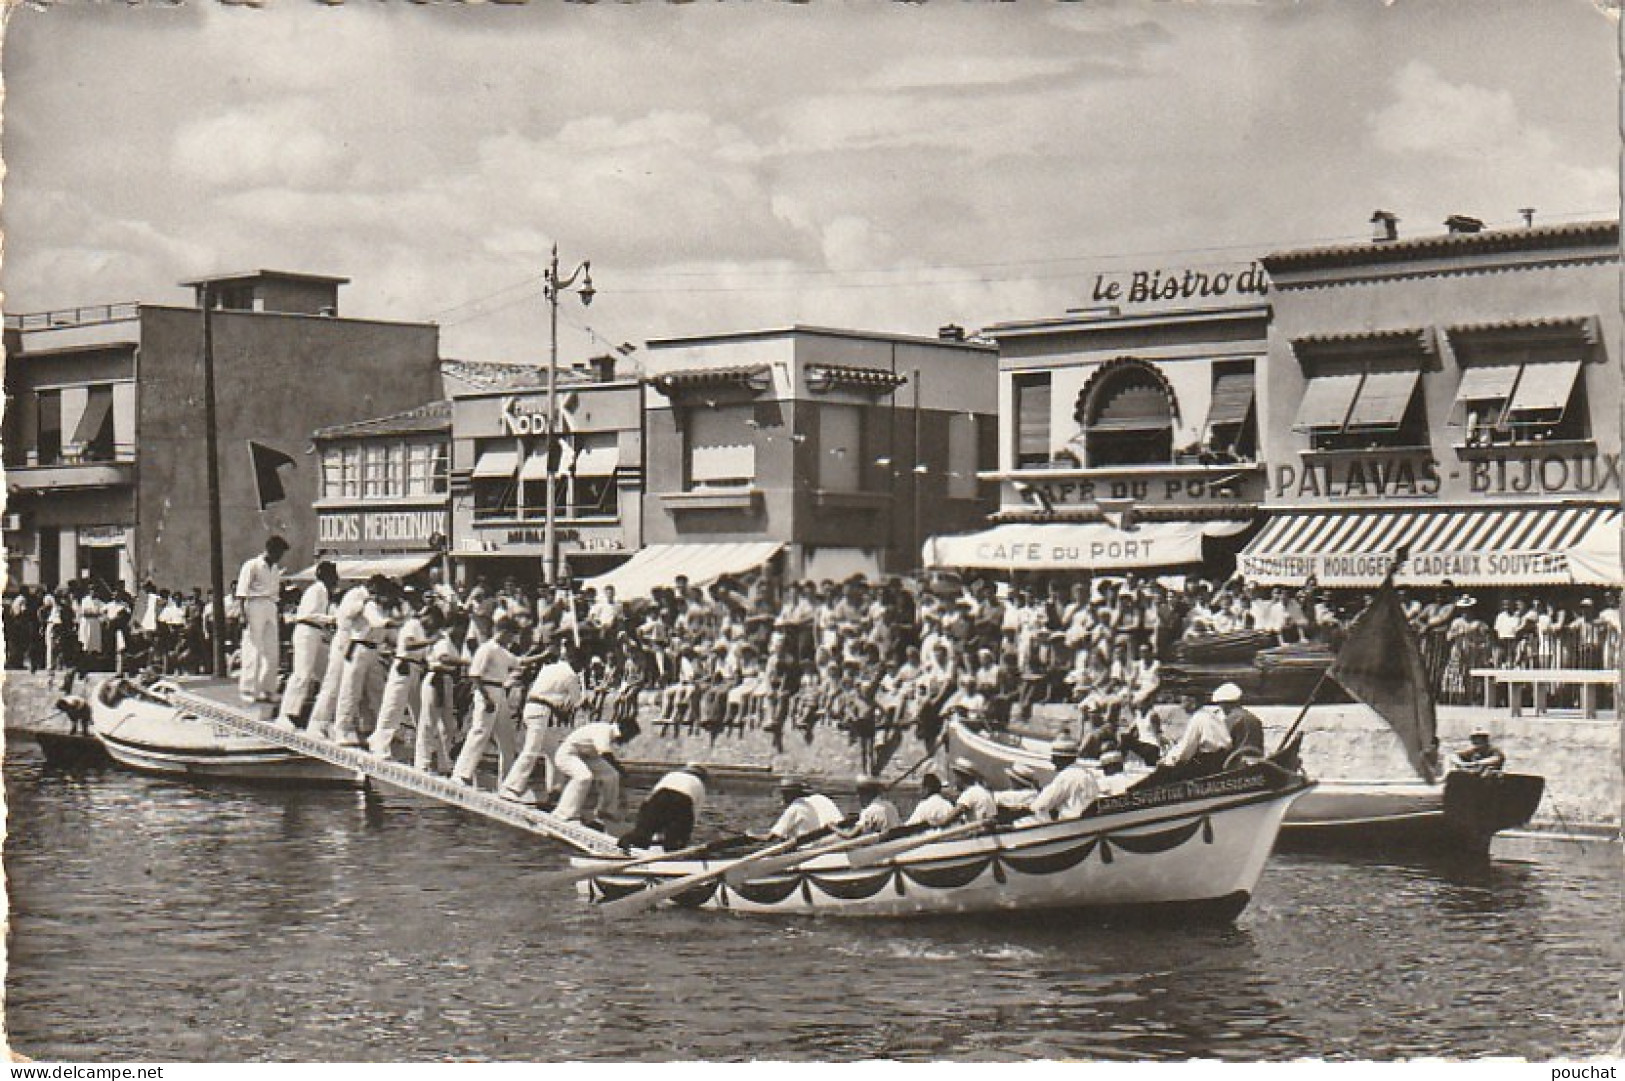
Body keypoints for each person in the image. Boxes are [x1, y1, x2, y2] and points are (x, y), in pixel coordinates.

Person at [500, 642, 584, 804]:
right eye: (581, 664)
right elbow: (576, 701)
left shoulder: (548, 668)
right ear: (575, 661)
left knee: (554, 752)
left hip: (531, 708)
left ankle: (555, 791)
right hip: (541, 711)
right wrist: (581, 702)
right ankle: (510, 787)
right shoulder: (570, 675)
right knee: (532, 750)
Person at [450, 620, 527, 790]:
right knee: (480, 732)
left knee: (507, 738)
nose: (512, 640)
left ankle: (507, 781)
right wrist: (486, 698)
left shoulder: (502, 651)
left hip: (499, 692)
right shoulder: (486, 649)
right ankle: (462, 773)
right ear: (503, 631)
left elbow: (519, 662)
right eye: (511, 635)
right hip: (486, 690)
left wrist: (544, 654)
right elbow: (475, 676)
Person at [331, 576, 397, 747]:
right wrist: (392, 623)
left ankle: (376, 729)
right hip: (359, 648)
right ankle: (342, 730)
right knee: (351, 690)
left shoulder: (382, 607)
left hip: (374, 651)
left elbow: (389, 636)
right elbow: (376, 622)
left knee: (377, 691)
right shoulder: (368, 603)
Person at [369, 604, 441, 759]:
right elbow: (408, 645)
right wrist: (430, 642)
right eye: (433, 621)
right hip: (404, 666)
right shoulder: (412, 624)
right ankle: (379, 743)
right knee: (393, 707)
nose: (433, 625)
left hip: (414, 669)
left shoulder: (421, 629)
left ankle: (428, 748)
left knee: (419, 711)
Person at [278, 561, 338, 729]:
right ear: (324, 576)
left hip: (316, 634)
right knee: (302, 675)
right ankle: (286, 714)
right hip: (306, 633)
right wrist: (331, 619)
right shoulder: (317, 590)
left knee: (328, 674)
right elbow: (307, 615)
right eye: (333, 575)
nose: (336, 579)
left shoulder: (323, 591)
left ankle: (322, 719)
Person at [552, 714, 636, 826]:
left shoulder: (609, 733)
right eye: (629, 737)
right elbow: (606, 754)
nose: (627, 741)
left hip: (588, 756)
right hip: (568, 754)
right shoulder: (604, 730)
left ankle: (605, 812)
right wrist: (622, 771)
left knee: (612, 775)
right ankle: (564, 814)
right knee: (584, 777)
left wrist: (619, 772)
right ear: (623, 730)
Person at [234, 535, 288, 704]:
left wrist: (277, 612)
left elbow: (276, 594)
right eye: (278, 553)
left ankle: (267, 689)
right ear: (270, 550)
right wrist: (243, 615)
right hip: (254, 604)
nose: (280, 557)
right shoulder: (252, 565)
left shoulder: (275, 569)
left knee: (272, 650)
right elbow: (241, 593)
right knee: (253, 649)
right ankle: (248, 689)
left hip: (270, 606)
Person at [416, 615, 467, 774]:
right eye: (461, 628)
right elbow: (444, 659)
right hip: (435, 678)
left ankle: (445, 763)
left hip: (446, 680)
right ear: (454, 626)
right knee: (429, 721)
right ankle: (422, 762)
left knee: (448, 725)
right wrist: (466, 662)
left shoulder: (450, 641)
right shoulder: (443, 639)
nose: (462, 632)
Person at [618, 764, 708, 852]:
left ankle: (626, 846)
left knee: (643, 833)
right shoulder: (699, 784)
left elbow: (649, 798)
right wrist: (685, 834)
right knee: (675, 839)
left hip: (658, 798)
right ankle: (672, 852)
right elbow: (694, 813)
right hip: (682, 802)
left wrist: (643, 822)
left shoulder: (671, 775)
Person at [1161, 689, 1234, 777]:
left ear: (1193, 703)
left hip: (1206, 764)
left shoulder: (1198, 718)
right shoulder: (1212, 715)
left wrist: (1169, 762)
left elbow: (1187, 749)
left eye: (1183, 702)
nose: (1181, 707)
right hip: (1220, 759)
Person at [1029, 737, 1101, 822]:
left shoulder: (1066, 776)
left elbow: (1041, 804)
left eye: (1054, 758)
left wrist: (1028, 808)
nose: (1052, 761)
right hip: (1089, 820)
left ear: (1062, 759)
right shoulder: (1088, 774)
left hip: (1070, 823)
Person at [762, 776, 844, 840]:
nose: (783, 797)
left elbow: (771, 837)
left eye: (784, 794)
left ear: (789, 794)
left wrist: (751, 837)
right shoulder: (820, 798)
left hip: (807, 847)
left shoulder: (795, 807)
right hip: (830, 839)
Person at [1216, 682, 1265, 759]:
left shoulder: (1230, 720)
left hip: (1236, 763)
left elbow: (1222, 746)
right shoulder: (1254, 718)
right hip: (1257, 760)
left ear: (1224, 704)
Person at [949, 758, 998, 824]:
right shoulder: (985, 791)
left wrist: (939, 822)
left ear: (961, 777)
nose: (955, 780)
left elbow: (951, 817)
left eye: (956, 776)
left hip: (977, 831)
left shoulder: (969, 793)